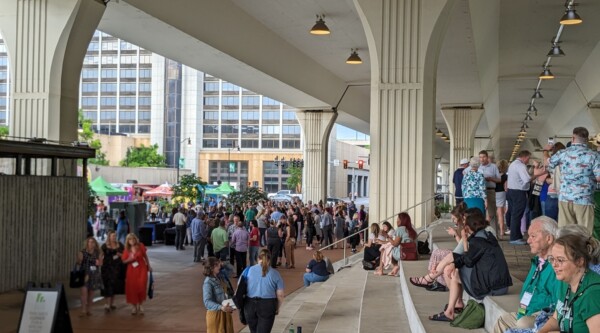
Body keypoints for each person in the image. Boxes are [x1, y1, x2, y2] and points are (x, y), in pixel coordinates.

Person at [429, 209, 512, 322]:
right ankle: (452, 307)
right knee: (454, 267)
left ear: (467, 228)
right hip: (502, 285)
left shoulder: (477, 241)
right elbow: (469, 257)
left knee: (454, 272)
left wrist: (463, 240)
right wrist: (454, 262)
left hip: (493, 288)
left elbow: (468, 260)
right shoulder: (487, 236)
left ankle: (450, 311)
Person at [493, 216, 559, 333]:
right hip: (526, 312)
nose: (528, 240)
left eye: (533, 236)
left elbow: (557, 307)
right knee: (503, 320)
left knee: (522, 323)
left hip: (544, 318)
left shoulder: (557, 266)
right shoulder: (537, 262)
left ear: (549, 239)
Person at [537, 233, 600, 333]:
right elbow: (556, 319)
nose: (554, 265)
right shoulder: (566, 281)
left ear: (579, 261)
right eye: (552, 259)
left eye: (560, 260)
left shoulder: (593, 294)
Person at [547, 126, 600, 232]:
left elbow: (548, 164)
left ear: (572, 138)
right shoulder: (593, 155)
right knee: (584, 233)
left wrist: (545, 151)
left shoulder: (562, 153)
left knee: (565, 232)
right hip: (584, 199)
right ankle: (582, 249)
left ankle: (566, 248)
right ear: (587, 139)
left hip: (565, 198)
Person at [506, 150, 546, 245]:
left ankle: (516, 235)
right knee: (517, 214)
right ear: (525, 157)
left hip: (511, 191)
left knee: (513, 213)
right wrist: (537, 174)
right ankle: (514, 238)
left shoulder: (512, 164)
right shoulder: (521, 165)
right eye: (529, 158)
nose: (529, 160)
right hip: (518, 192)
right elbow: (527, 179)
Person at [244, 249, 285, 333]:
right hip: (267, 305)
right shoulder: (275, 273)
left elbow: (240, 287)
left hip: (249, 305)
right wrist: (277, 307)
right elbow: (280, 295)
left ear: (258, 258)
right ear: (269, 259)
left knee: (253, 331)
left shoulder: (249, 270)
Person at [121, 233, 152, 315]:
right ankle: (134, 306)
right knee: (132, 288)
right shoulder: (127, 249)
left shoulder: (140, 246)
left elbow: (145, 256)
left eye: (133, 239)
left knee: (141, 286)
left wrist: (149, 266)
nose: (132, 241)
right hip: (131, 270)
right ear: (128, 241)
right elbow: (124, 261)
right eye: (130, 239)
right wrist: (129, 259)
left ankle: (140, 304)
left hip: (141, 268)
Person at [202, 257, 235, 333]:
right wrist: (221, 307)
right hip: (216, 316)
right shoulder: (208, 282)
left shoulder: (220, 276)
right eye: (217, 265)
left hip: (225, 313)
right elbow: (207, 302)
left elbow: (231, 269)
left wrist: (222, 263)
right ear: (212, 268)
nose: (219, 266)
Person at [77, 237, 104, 316]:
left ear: (95, 244)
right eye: (89, 242)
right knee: (84, 292)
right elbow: (79, 262)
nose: (91, 244)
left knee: (91, 293)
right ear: (87, 243)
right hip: (84, 274)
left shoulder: (98, 252)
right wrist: (79, 258)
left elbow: (101, 264)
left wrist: (99, 261)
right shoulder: (83, 252)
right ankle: (83, 310)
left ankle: (89, 309)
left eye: (93, 242)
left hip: (94, 274)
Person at [100, 231, 125, 312]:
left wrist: (120, 255)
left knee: (114, 284)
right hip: (107, 268)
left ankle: (112, 303)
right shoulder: (104, 246)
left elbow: (125, 254)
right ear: (109, 237)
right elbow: (100, 255)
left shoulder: (120, 245)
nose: (114, 237)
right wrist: (99, 261)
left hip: (117, 268)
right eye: (112, 236)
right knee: (108, 284)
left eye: (115, 236)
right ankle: (107, 304)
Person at [544, 142, 566, 221]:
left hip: (552, 192)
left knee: (550, 221)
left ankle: (551, 234)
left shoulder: (553, 161)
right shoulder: (567, 161)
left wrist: (545, 150)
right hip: (565, 194)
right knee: (562, 221)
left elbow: (546, 162)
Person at [479, 150, 501, 226]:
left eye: (484, 157)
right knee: (480, 213)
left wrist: (491, 179)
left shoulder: (493, 166)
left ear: (487, 157)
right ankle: (483, 234)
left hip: (490, 190)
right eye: (480, 157)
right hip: (480, 192)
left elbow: (499, 179)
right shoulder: (477, 167)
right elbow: (465, 171)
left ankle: (494, 234)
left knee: (492, 213)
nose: (482, 159)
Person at [495, 159, 509, 238]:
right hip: (501, 193)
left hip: (493, 192)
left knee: (492, 213)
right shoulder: (505, 176)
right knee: (501, 212)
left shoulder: (495, 175)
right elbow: (506, 187)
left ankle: (493, 229)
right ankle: (502, 230)